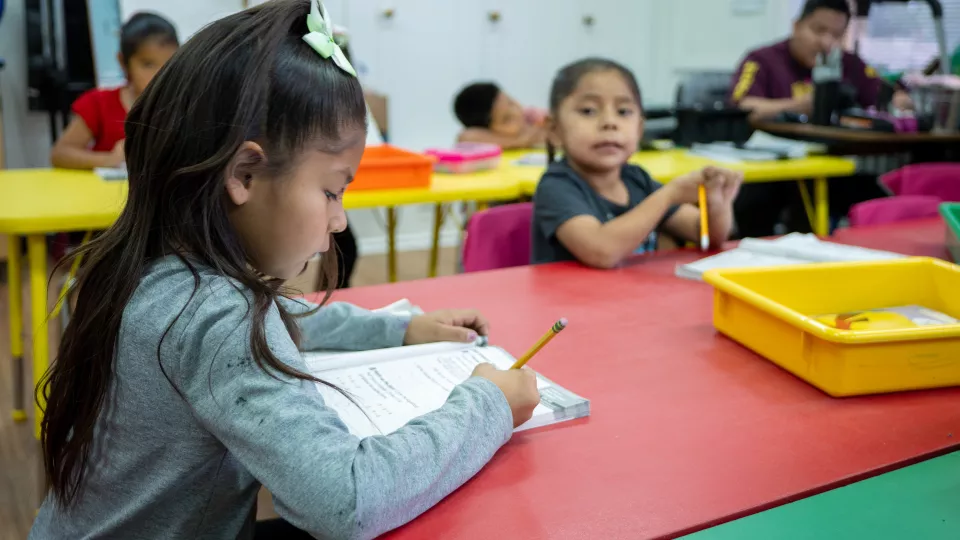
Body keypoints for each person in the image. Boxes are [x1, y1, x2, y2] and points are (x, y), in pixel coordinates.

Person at [30, 2, 540, 539]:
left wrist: (399, 328)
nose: (339, 221)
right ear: (244, 173)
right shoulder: (217, 313)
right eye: (331, 190)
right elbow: (346, 500)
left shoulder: (157, 270)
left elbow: (285, 315)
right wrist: (489, 405)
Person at [531, 58, 742, 268]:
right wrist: (668, 195)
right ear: (554, 130)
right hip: (571, 300)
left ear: (639, 130)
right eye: (588, 111)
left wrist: (717, 202)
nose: (609, 123)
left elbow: (704, 233)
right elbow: (601, 251)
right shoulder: (557, 185)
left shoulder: (636, 179)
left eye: (623, 111)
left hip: (631, 297)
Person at [727, 0, 902, 238]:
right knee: (753, 204)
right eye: (818, 31)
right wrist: (798, 105)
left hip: (829, 168)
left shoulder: (849, 64)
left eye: (837, 35)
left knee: (876, 193)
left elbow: (889, 94)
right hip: (774, 172)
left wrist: (902, 98)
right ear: (796, 25)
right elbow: (742, 105)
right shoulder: (762, 59)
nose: (826, 43)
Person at [50, 12, 179, 169]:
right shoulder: (98, 103)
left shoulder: (184, 105)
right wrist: (109, 160)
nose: (160, 74)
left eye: (169, 64)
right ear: (123, 62)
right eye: (148, 64)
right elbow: (60, 154)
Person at [453, 81, 547, 149]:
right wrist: (521, 141)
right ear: (486, 131)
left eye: (511, 102)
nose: (517, 113)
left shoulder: (535, 117)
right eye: (506, 119)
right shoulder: (494, 139)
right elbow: (465, 137)